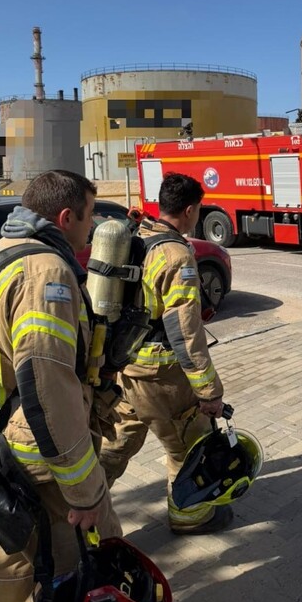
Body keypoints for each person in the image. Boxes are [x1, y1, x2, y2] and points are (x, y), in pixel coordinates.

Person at [0, 170, 122, 602]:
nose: (93, 227)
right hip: (39, 460)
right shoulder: (46, 274)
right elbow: (48, 387)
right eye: (90, 215)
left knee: (13, 577)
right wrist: (85, 492)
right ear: (65, 217)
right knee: (80, 571)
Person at [99, 172, 232, 535]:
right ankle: (191, 516)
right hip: (162, 377)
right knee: (190, 444)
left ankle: (77, 515)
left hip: (127, 368)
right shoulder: (176, 256)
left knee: (116, 444)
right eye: (199, 210)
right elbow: (186, 333)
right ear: (190, 210)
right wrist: (209, 392)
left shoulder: (139, 239)